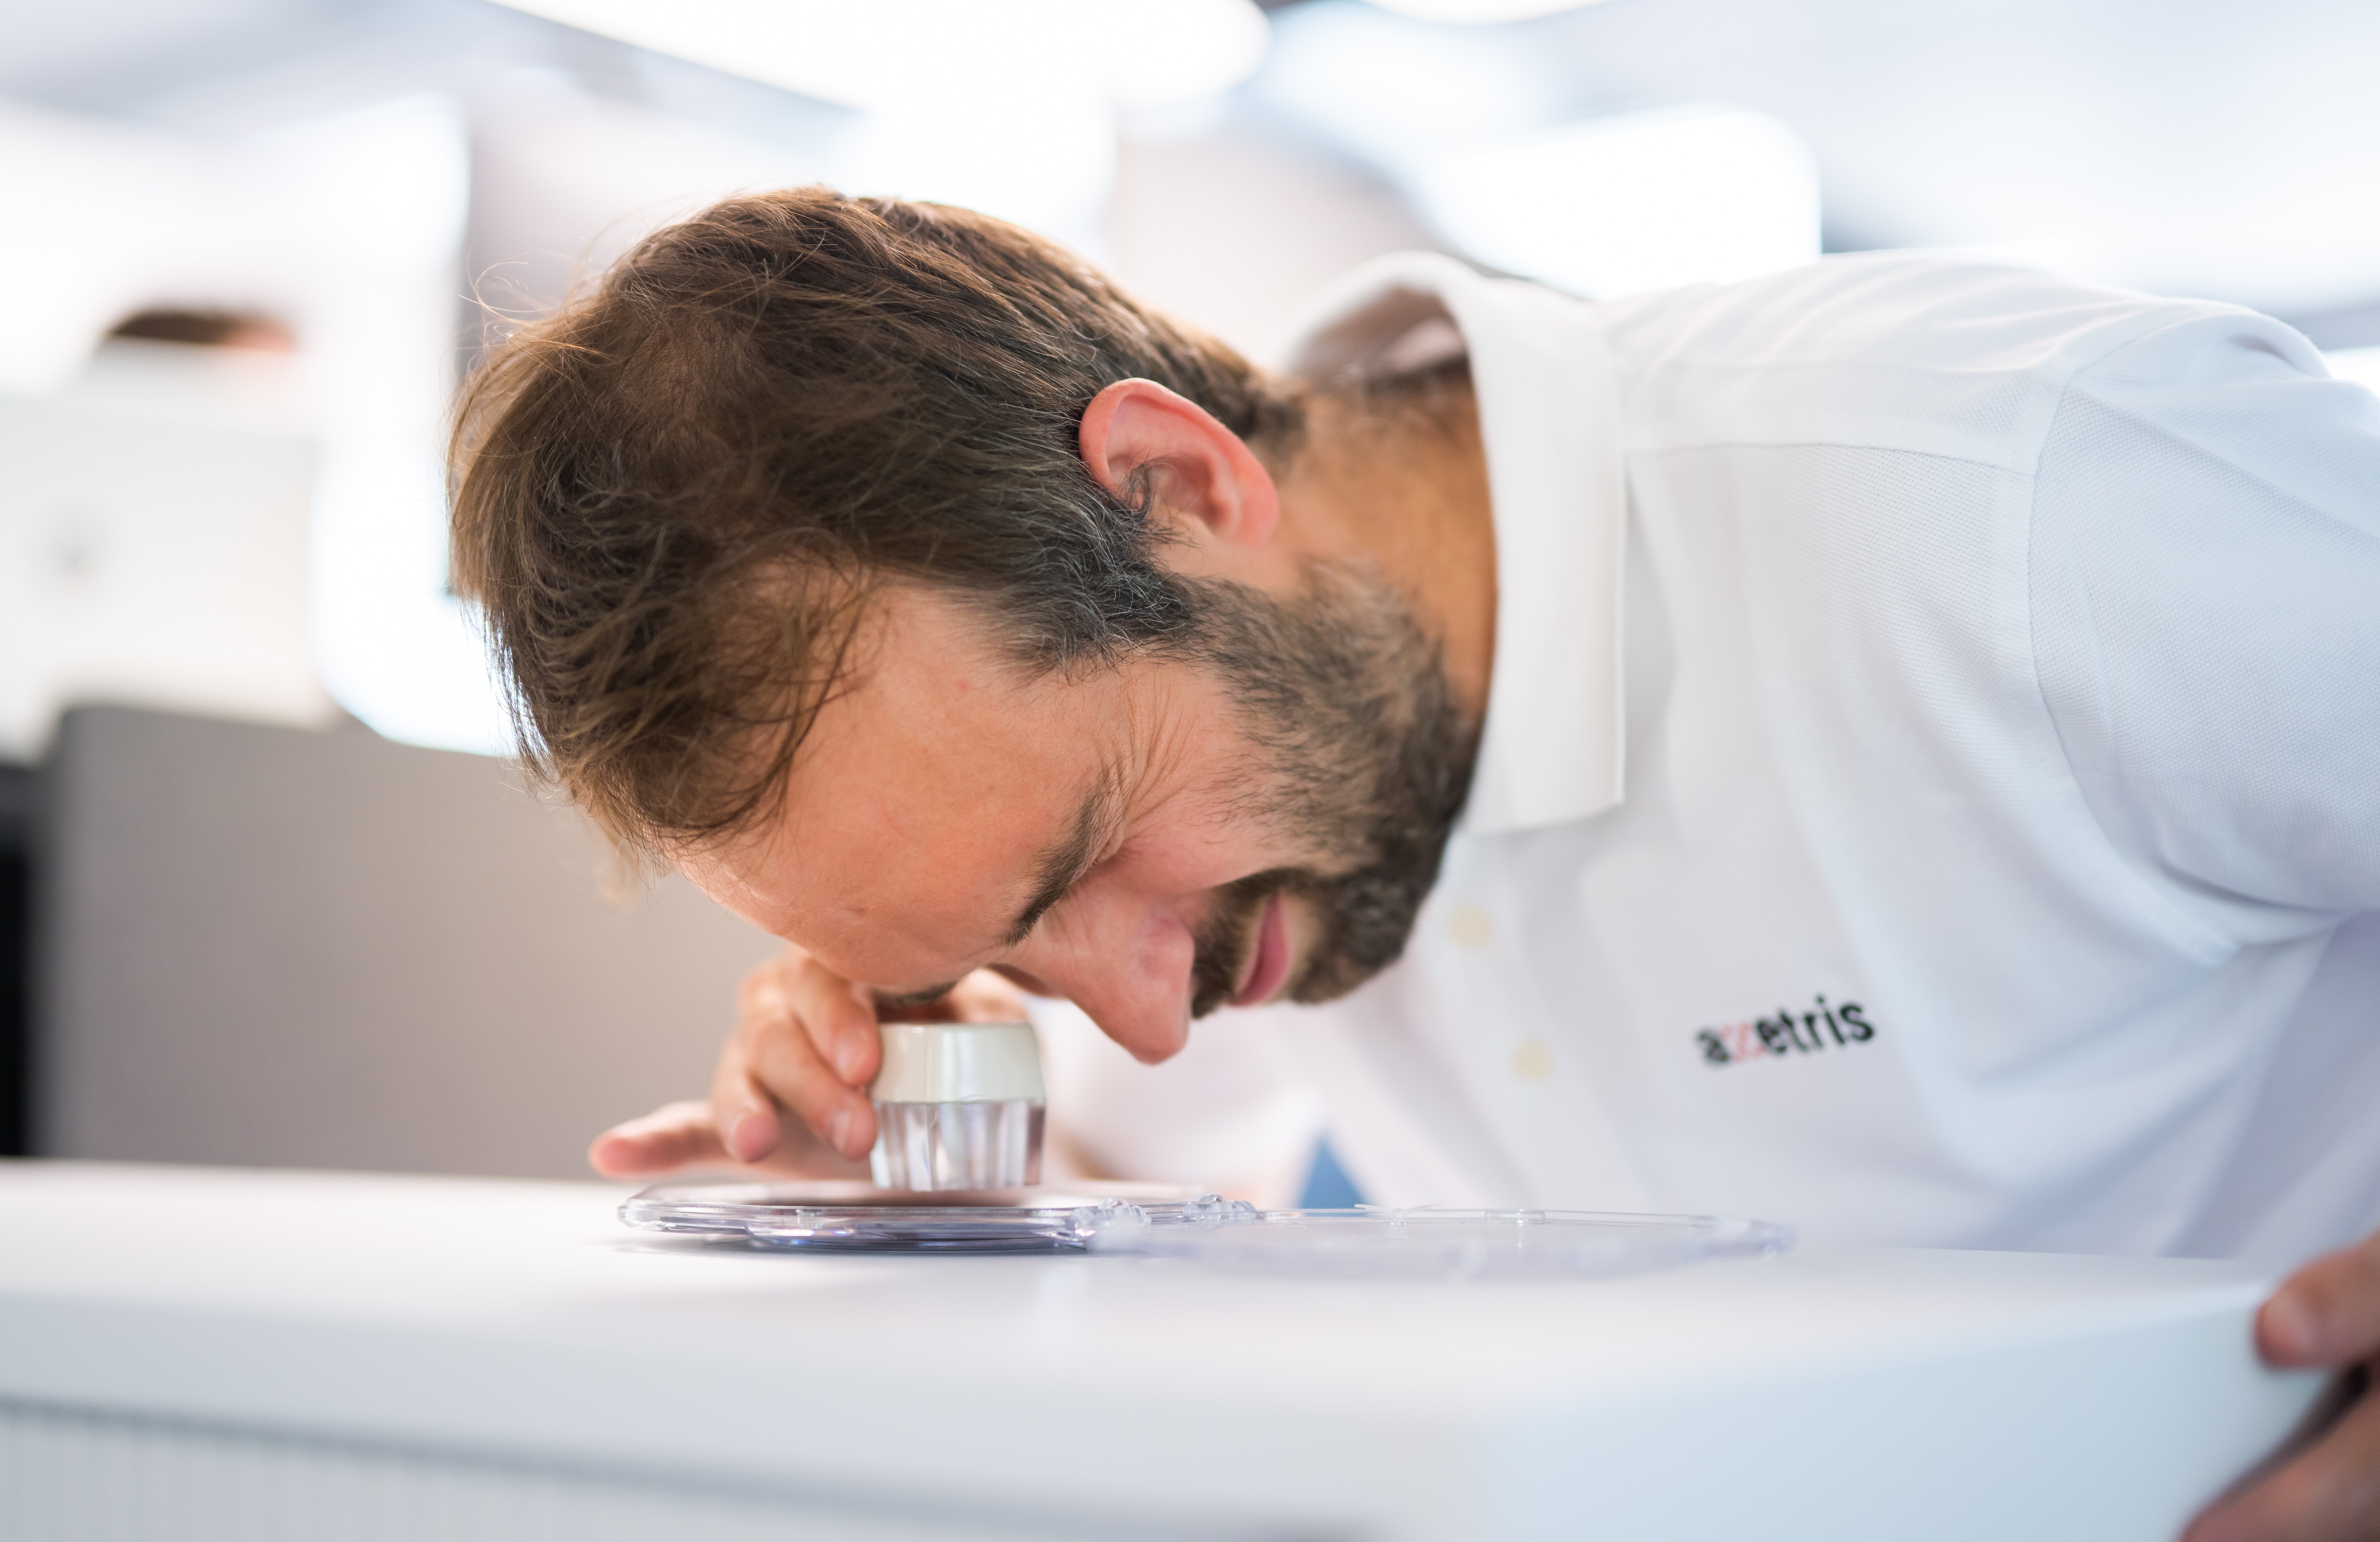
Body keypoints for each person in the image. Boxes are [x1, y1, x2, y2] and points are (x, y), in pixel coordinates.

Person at [448, 188, 2380, 1539]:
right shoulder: (1245, 824)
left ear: (1181, 488)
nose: (1142, 1006)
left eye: (1089, 857)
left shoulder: (2010, 496)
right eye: (1012, 959)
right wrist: (951, 1181)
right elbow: (1167, 1174)